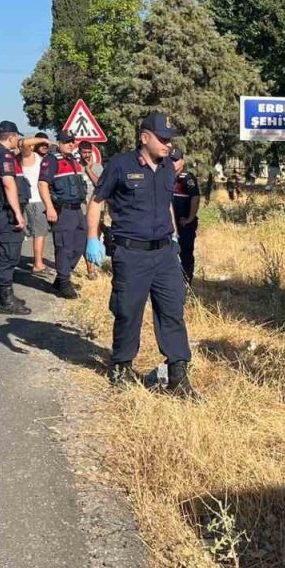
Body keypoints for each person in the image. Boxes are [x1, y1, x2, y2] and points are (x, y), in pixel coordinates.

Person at [84, 112, 193, 395]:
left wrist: (174, 238)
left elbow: (166, 204)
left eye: (170, 139)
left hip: (165, 253)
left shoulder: (168, 167)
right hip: (131, 253)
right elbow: (96, 201)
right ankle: (121, 368)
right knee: (128, 312)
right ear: (144, 137)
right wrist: (92, 238)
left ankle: (178, 376)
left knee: (172, 311)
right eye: (163, 139)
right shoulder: (120, 165)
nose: (168, 144)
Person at [0, 121, 32, 315]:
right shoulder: (3, 155)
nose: (18, 140)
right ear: (11, 137)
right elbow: (8, 184)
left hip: (0, 211)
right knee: (8, 256)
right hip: (6, 213)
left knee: (5, 253)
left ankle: (6, 295)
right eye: (17, 137)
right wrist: (18, 214)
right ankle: (6, 301)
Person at [38, 130, 88, 299]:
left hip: (77, 209)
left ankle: (61, 278)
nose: (70, 144)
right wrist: (49, 208)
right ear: (58, 143)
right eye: (66, 142)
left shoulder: (73, 160)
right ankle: (64, 284)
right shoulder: (51, 160)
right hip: (63, 210)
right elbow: (42, 185)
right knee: (64, 247)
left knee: (80, 245)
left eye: (72, 141)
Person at [20, 132, 52, 279]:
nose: (45, 146)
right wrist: (46, 140)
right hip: (34, 200)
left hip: (40, 200)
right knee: (38, 234)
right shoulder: (30, 157)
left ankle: (38, 263)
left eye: (46, 145)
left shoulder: (43, 159)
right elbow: (24, 143)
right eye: (42, 144)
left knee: (41, 233)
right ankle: (38, 264)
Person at [170, 148, 201, 283]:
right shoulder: (165, 177)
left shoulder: (187, 178)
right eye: (170, 160)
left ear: (182, 161)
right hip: (169, 224)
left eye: (175, 160)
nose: (173, 163)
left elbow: (195, 198)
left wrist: (189, 219)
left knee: (185, 254)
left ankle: (186, 281)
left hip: (184, 224)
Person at [78, 141, 104, 279]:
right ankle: (90, 269)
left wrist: (89, 170)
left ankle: (93, 264)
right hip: (81, 209)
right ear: (80, 152)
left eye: (89, 152)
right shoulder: (76, 167)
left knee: (95, 237)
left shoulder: (98, 167)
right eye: (84, 152)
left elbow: (101, 185)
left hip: (96, 208)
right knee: (84, 238)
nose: (87, 155)